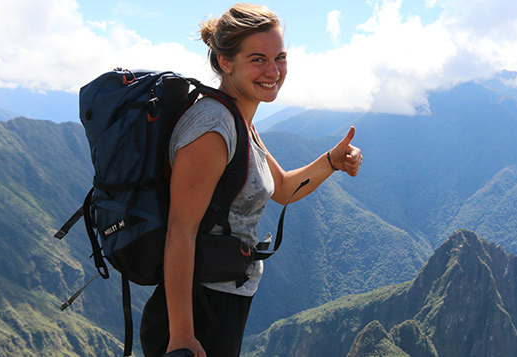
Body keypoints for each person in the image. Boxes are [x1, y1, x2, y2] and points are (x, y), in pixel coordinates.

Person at [139, 3, 363, 356]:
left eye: (280, 57)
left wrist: (331, 162)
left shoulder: (240, 121)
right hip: (196, 315)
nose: (273, 70)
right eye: (258, 59)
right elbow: (180, 231)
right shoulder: (213, 129)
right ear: (225, 62)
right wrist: (182, 335)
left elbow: (284, 188)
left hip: (223, 305)